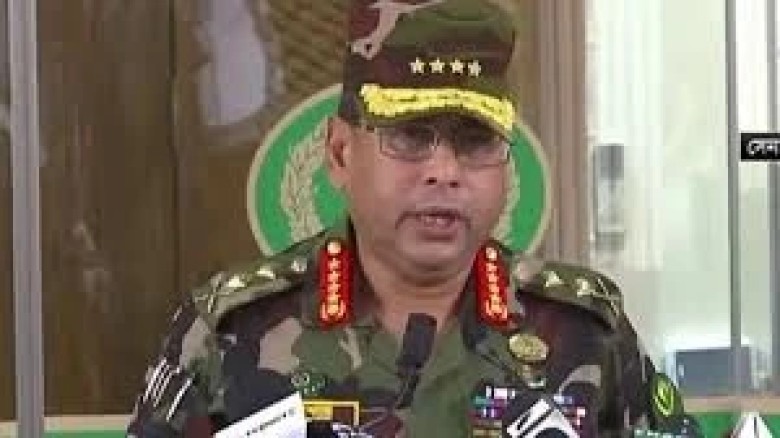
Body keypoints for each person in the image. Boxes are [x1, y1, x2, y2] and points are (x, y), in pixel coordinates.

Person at [127, 0, 698, 436]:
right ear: (340, 153)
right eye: (410, 137)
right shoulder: (228, 332)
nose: (444, 172)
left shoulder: (585, 332)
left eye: (474, 141)